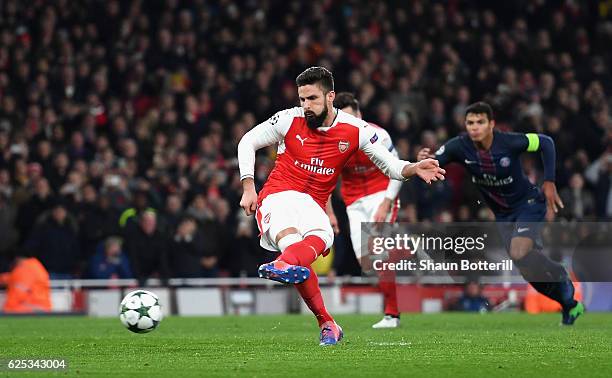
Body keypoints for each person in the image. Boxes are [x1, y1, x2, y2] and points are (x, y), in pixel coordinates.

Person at [238, 66, 445, 345]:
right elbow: (247, 140)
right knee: (293, 249)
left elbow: (392, 167)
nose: (306, 106)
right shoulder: (288, 119)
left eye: (312, 98)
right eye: (302, 99)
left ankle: (321, 313)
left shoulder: (357, 130)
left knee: (320, 240)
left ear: (330, 96)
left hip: (314, 205)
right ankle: (309, 299)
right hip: (280, 195)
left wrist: (415, 167)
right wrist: (249, 186)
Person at [417, 101, 584, 325]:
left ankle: (559, 272)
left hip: (528, 203)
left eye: (480, 122)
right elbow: (434, 162)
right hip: (503, 216)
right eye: (470, 123)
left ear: (491, 124)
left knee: (518, 252)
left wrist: (550, 181)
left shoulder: (509, 141)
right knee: (528, 272)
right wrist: (424, 161)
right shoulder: (459, 146)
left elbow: (546, 142)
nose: (474, 127)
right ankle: (569, 305)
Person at [326, 92, 402, 329]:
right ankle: (407, 247)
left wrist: (386, 202)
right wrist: (329, 213)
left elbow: (398, 169)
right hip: (354, 201)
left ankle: (392, 315)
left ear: (360, 115)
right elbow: (324, 179)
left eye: (353, 119)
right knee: (368, 264)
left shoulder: (379, 135)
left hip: (382, 193)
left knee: (379, 254)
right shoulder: (331, 140)